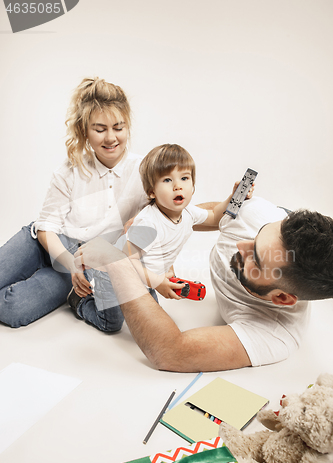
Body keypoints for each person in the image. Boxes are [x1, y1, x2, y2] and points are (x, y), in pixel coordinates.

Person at [74, 196, 333, 372]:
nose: (241, 246)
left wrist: (117, 263)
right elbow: (206, 216)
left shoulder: (276, 335)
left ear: (282, 298)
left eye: (255, 259)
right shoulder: (258, 214)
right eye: (257, 236)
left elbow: (170, 352)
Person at [0, 77, 150, 330]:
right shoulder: (69, 170)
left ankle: (73, 298)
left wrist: (228, 203)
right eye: (100, 129)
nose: (111, 137)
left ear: (128, 126)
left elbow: (181, 206)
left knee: (15, 309)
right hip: (44, 241)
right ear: (84, 131)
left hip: (83, 261)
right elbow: (47, 227)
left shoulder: (145, 170)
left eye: (118, 127)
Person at [115, 143, 248, 299]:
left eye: (184, 178)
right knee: (113, 322)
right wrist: (157, 282)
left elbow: (214, 216)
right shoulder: (147, 222)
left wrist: (234, 197)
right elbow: (127, 261)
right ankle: (83, 303)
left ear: (192, 185)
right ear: (152, 191)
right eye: (167, 180)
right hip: (123, 282)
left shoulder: (188, 212)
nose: (178, 186)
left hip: (147, 283)